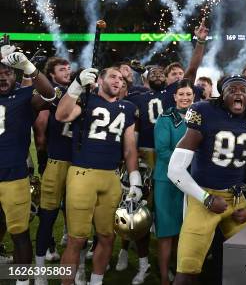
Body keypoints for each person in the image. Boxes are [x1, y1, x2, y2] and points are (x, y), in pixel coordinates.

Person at [116, 20, 208, 279]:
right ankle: (128, 251)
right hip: (148, 158)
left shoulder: (173, 95)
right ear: (143, 78)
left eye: (161, 71)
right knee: (134, 208)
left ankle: (177, 267)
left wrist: (199, 42)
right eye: (152, 72)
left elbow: (191, 69)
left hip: (169, 161)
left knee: (174, 222)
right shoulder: (134, 94)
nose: (157, 73)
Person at [167, 75, 246, 284]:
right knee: (187, 270)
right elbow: (174, 170)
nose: (238, 93)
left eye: (243, 90)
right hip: (203, 197)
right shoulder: (204, 111)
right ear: (221, 95)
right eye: (232, 90)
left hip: (236, 199)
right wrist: (206, 199)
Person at [56, 66, 142, 285]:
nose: (118, 81)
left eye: (121, 78)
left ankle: (96, 281)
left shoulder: (129, 107)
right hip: (82, 174)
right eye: (112, 76)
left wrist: (135, 179)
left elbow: (130, 147)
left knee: (107, 236)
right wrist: (76, 85)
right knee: (77, 239)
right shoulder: (85, 101)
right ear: (100, 79)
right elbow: (62, 115)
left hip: (111, 177)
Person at [0, 46, 56, 285]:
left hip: (13, 176)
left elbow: (50, 94)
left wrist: (29, 67)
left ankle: (22, 282)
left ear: (15, 75)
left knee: (20, 234)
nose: (3, 76)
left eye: (8, 72)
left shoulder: (24, 97)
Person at [32, 57, 73, 279]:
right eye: (61, 69)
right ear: (52, 75)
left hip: (78, 162)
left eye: (68, 68)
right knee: (48, 214)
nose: (67, 71)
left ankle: (75, 267)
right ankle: (41, 267)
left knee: (76, 212)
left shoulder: (77, 89)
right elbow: (40, 130)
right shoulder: (52, 94)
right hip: (56, 160)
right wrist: (43, 157)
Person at [154, 79, 195, 285]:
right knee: (166, 232)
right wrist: (189, 164)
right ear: (175, 96)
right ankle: (163, 278)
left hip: (190, 182)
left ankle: (180, 274)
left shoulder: (199, 117)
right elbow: (162, 151)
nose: (185, 97)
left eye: (189, 94)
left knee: (185, 231)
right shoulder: (165, 118)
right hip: (167, 181)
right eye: (182, 94)